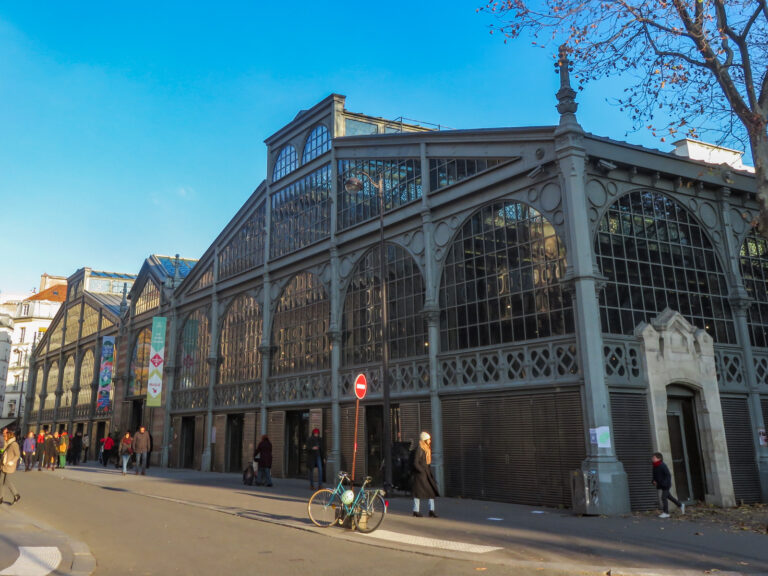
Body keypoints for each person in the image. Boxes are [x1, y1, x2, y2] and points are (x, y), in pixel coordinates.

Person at [412, 431, 439, 518]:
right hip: (420, 475)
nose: (430, 441)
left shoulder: (426, 448)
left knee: (431, 492)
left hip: (426, 473)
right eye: (428, 439)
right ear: (424, 440)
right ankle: (416, 511)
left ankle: (431, 510)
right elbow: (415, 463)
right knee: (418, 493)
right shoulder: (419, 449)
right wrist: (421, 471)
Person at [652, 452, 685, 518]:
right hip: (662, 484)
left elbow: (668, 475)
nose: (652, 458)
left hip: (666, 484)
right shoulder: (655, 466)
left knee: (663, 497)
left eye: (654, 457)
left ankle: (666, 513)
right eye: (652, 457)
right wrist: (653, 481)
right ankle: (680, 505)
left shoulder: (662, 465)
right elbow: (654, 476)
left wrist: (665, 483)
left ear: (659, 458)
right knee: (669, 497)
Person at [0, 425, 21, 505]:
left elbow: (17, 455)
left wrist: (12, 461)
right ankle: (1, 497)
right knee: (1, 481)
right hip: (3, 465)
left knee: (6, 481)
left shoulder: (14, 444)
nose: (4, 437)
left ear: (8, 436)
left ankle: (16, 495)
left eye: (5, 436)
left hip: (9, 466)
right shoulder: (7, 443)